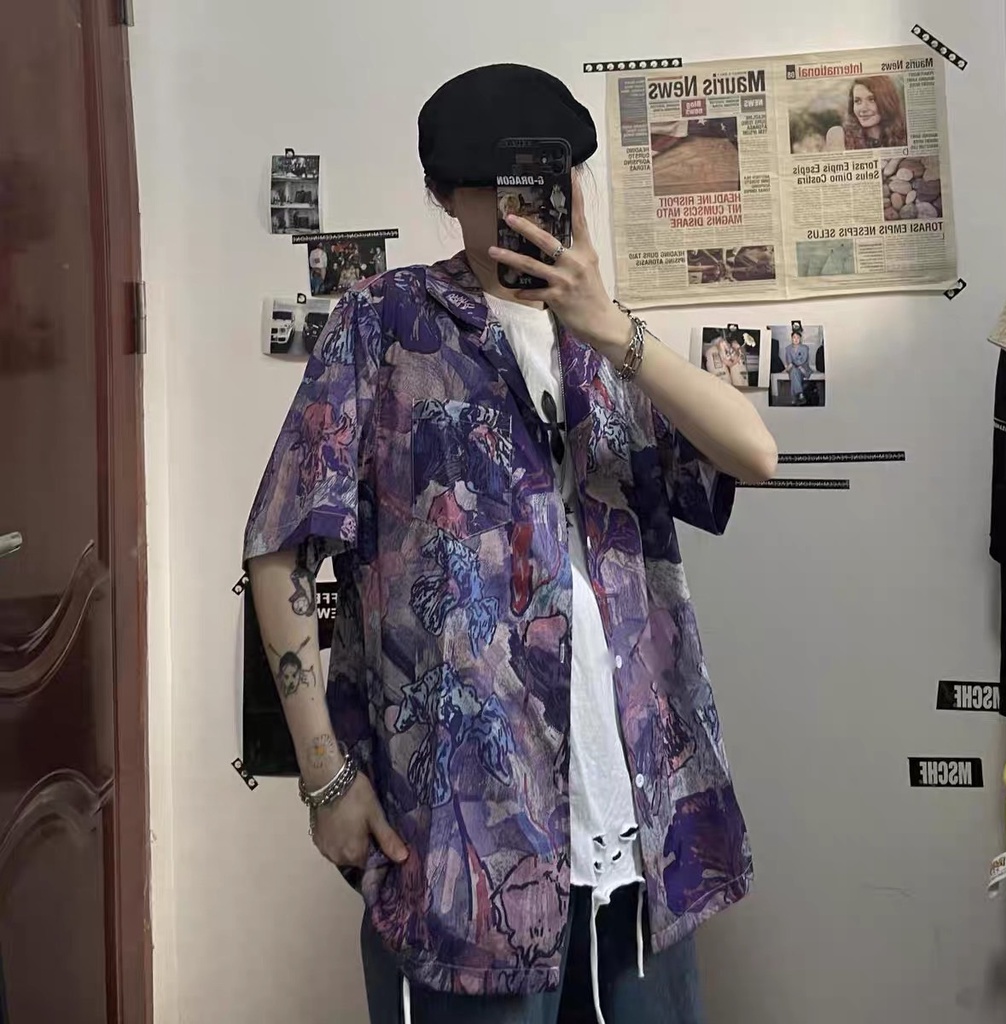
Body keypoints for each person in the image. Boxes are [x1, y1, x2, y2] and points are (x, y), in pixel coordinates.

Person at [243, 63, 777, 1024]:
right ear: (444, 196)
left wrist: (607, 324)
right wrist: (325, 777)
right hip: (463, 849)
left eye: (544, 180)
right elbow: (279, 544)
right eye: (491, 187)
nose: (520, 210)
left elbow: (754, 453)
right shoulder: (385, 323)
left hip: (639, 830)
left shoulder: (608, 344)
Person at [825, 76, 907, 151]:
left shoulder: (904, 135)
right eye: (857, 101)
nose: (863, 109)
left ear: (887, 102)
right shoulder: (839, 135)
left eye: (871, 99)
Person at [783, 329, 812, 405]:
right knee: (794, 371)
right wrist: (792, 364)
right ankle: (800, 394)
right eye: (794, 337)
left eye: (798, 337)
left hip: (803, 369)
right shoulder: (788, 348)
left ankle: (794, 398)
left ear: (800, 339)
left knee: (793, 373)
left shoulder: (805, 348)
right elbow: (789, 361)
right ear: (791, 338)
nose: (796, 339)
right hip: (793, 368)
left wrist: (793, 364)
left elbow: (803, 360)